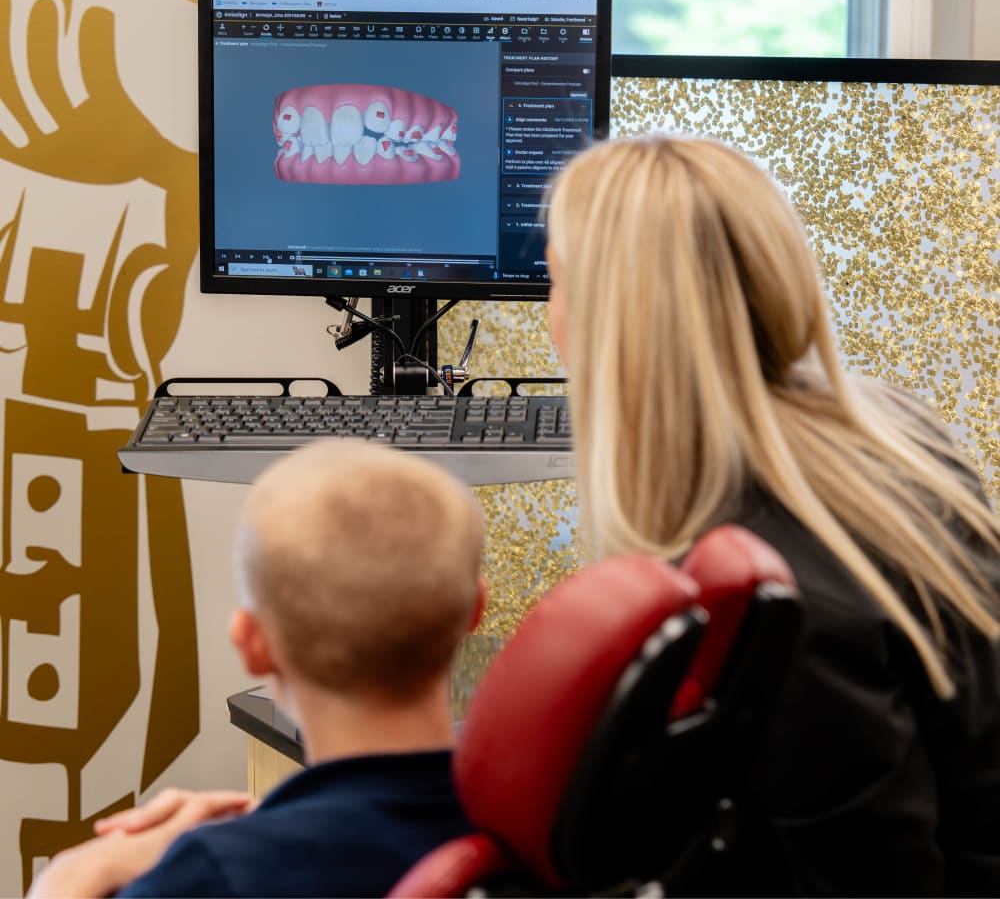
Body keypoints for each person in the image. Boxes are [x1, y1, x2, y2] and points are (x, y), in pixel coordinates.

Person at [544, 133, 1000, 896]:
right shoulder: (895, 436)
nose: (550, 312)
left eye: (556, 283)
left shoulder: (782, 598)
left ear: (614, 323)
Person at [31, 438, 484, 898]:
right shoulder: (539, 835)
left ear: (252, 645)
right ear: (475, 609)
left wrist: (70, 876)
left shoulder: (212, 879)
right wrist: (269, 817)